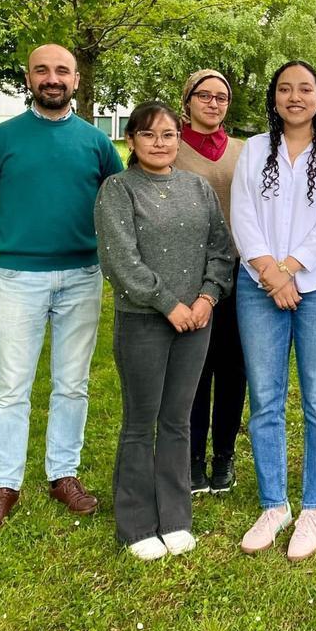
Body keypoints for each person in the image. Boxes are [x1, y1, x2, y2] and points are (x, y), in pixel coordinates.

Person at [0, 43, 123, 534]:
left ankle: (62, 474)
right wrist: (9, 236)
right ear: (29, 77)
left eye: (62, 71)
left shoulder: (95, 143)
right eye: (42, 70)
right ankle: (5, 484)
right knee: (11, 387)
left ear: (76, 80)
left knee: (72, 382)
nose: (53, 78)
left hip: (81, 277)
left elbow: (117, 202)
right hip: (18, 279)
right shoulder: (2, 138)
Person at [95, 101, 235, 560]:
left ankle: (175, 516)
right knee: (140, 422)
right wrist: (167, 303)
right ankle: (136, 521)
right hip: (144, 322)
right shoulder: (118, 189)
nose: (160, 143)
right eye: (150, 134)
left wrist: (206, 297)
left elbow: (221, 247)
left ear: (180, 139)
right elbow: (121, 260)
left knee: (177, 420)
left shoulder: (197, 187)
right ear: (131, 140)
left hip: (196, 320)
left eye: (169, 135)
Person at [231, 61, 316, 562]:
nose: (295, 97)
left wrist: (291, 270)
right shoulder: (254, 150)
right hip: (258, 285)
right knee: (265, 398)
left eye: (305, 89)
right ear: (275, 98)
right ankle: (274, 504)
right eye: (285, 89)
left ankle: (314, 508)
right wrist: (270, 272)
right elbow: (242, 214)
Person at [174, 69, 247, 495]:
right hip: (189, 275)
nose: (214, 103)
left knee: (233, 367)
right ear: (188, 99)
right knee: (195, 370)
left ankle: (224, 456)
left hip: (239, 272)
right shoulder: (171, 148)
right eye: (205, 95)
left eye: (222, 97)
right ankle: (193, 457)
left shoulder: (243, 151)